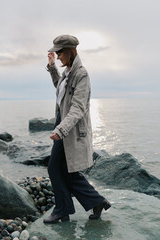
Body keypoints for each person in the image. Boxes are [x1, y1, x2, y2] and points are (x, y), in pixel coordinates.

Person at [43, 34, 111, 224]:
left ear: (69, 51)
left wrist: (61, 129)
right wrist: (51, 68)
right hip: (64, 124)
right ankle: (96, 202)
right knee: (67, 172)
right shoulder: (68, 71)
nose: (57, 56)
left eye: (59, 53)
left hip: (70, 129)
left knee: (55, 168)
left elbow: (78, 108)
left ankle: (62, 210)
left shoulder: (81, 74)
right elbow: (60, 89)